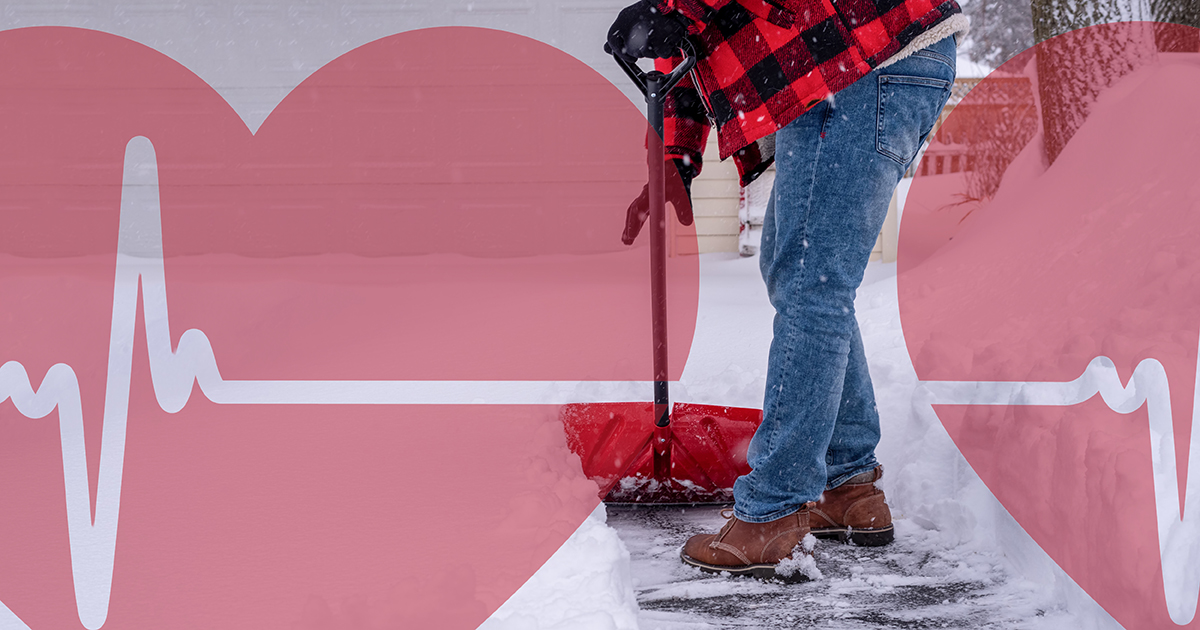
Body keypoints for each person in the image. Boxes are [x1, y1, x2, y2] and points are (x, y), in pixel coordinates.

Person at [607, 0, 969, 580]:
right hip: (837, 66)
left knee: (813, 284)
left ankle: (773, 512)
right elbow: (686, 47)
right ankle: (847, 484)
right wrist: (673, 157)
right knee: (800, 272)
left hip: (865, 56)